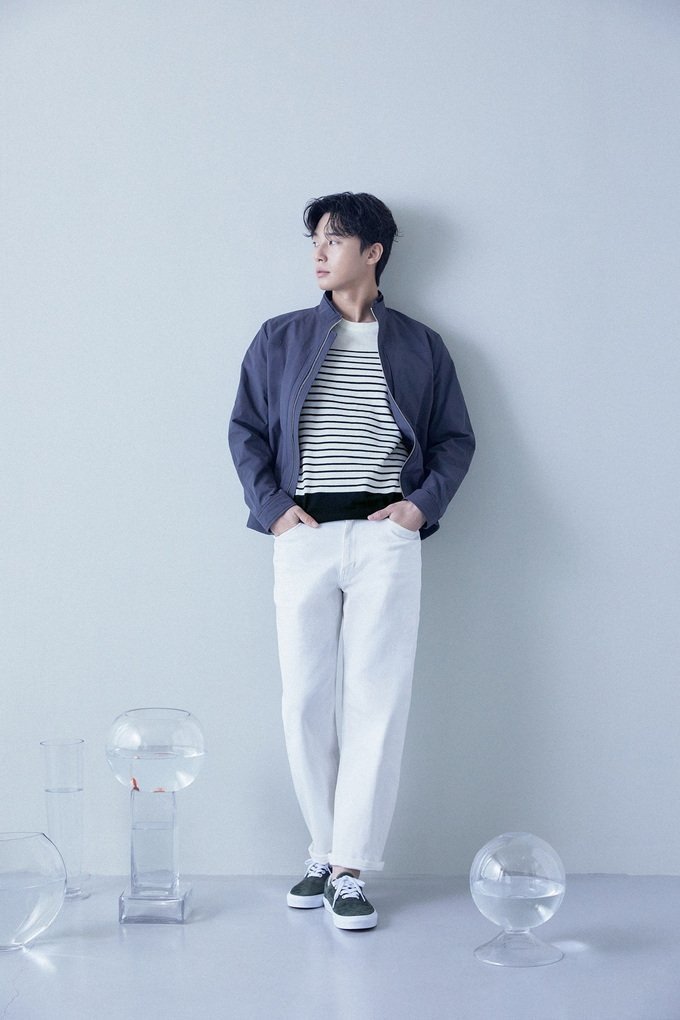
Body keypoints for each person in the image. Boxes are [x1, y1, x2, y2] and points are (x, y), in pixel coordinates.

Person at [229, 192, 474, 930]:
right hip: (303, 533)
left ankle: (349, 869)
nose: (318, 251)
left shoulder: (421, 346)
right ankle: (323, 848)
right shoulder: (279, 337)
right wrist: (275, 510)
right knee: (304, 701)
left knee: (377, 701)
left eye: (334, 239)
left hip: (384, 537)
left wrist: (417, 509)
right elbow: (245, 430)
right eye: (315, 239)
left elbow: (455, 439)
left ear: (373, 252)